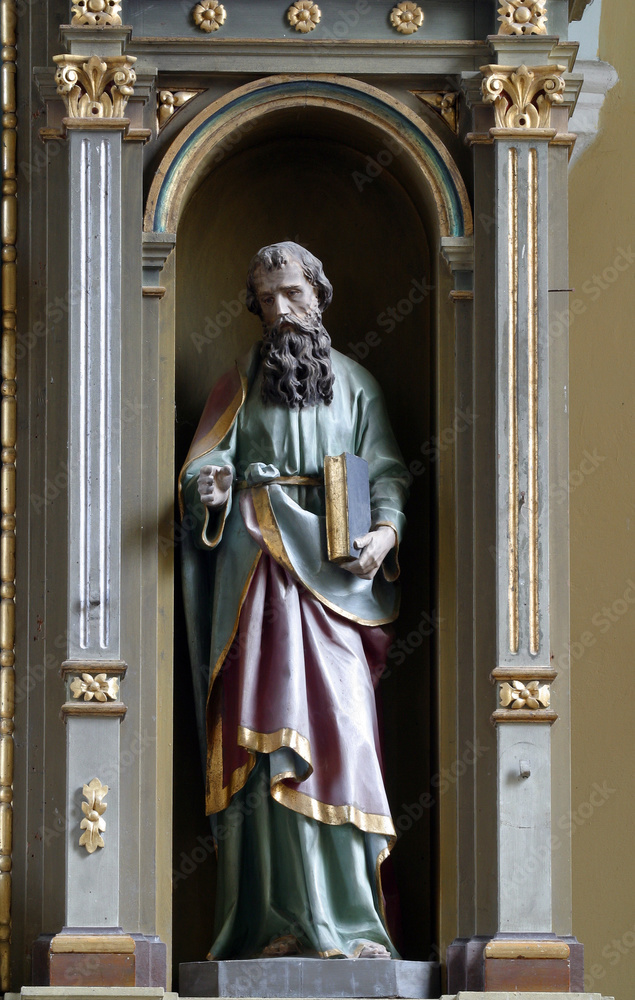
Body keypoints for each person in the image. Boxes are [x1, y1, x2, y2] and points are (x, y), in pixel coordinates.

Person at [179, 242, 409, 960]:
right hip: (257, 582)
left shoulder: (357, 384)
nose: (278, 310)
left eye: (290, 293)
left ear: (318, 293)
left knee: (342, 734)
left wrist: (383, 534)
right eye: (265, 298)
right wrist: (210, 488)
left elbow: (391, 473)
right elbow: (204, 468)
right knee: (265, 739)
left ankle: (350, 922)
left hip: (336, 587)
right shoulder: (238, 382)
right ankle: (270, 923)